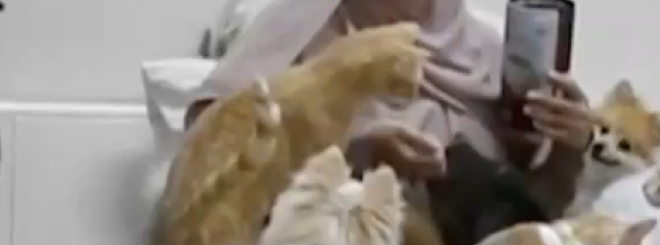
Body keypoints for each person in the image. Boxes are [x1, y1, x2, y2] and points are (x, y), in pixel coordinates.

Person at [185, 0, 596, 185]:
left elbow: (529, 201)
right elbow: (205, 137)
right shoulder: (308, 23)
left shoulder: (488, 51)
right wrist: (352, 155)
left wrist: (568, 147)